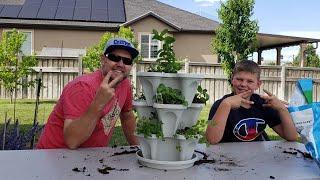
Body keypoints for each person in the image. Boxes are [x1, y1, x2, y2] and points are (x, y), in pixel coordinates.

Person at [37, 38, 139, 149]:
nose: (121, 64)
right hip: (54, 156)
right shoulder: (82, 87)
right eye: (114, 58)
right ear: (103, 60)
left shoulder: (124, 84)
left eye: (127, 61)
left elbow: (127, 115)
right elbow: (72, 141)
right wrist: (99, 102)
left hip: (90, 157)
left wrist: (139, 149)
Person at [205, 60, 298, 144]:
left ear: (258, 84)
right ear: (232, 79)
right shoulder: (221, 104)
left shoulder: (263, 104)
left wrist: (282, 108)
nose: (243, 84)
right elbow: (212, 139)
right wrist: (226, 105)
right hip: (226, 158)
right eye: (239, 79)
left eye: (250, 81)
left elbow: (292, 137)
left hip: (256, 156)